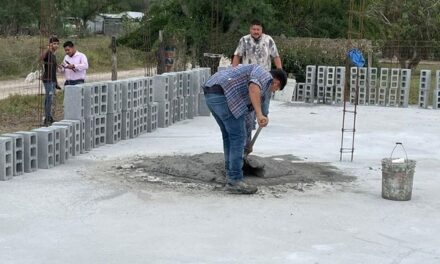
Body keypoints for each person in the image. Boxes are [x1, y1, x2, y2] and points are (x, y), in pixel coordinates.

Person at [203, 64, 287, 194]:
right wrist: (259, 114)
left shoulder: (254, 80)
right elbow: (253, 88)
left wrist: (248, 143)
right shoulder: (265, 75)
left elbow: (249, 116)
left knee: (230, 136)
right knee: (237, 138)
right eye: (276, 89)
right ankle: (235, 180)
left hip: (211, 93)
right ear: (276, 82)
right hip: (224, 94)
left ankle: (230, 172)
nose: (273, 91)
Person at [232, 19, 283, 157]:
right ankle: (250, 127)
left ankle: (261, 118)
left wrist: (280, 72)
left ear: (262, 30)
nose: (256, 31)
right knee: (249, 109)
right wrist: (233, 71)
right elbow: (237, 55)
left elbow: (276, 56)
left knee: (263, 107)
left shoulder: (268, 40)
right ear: (250, 29)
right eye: (253, 29)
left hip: (266, 79)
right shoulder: (244, 40)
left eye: (258, 29)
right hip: (247, 79)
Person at [41, 36, 61, 125]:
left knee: (50, 99)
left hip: (52, 80)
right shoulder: (48, 53)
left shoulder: (53, 55)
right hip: (47, 79)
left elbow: (54, 69)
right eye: (54, 43)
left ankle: (49, 116)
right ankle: (47, 118)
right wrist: (47, 49)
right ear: (50, 44)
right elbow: (41, 58)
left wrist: (56, 83)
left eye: (57, 44)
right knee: (49, 99)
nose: (56, 45)